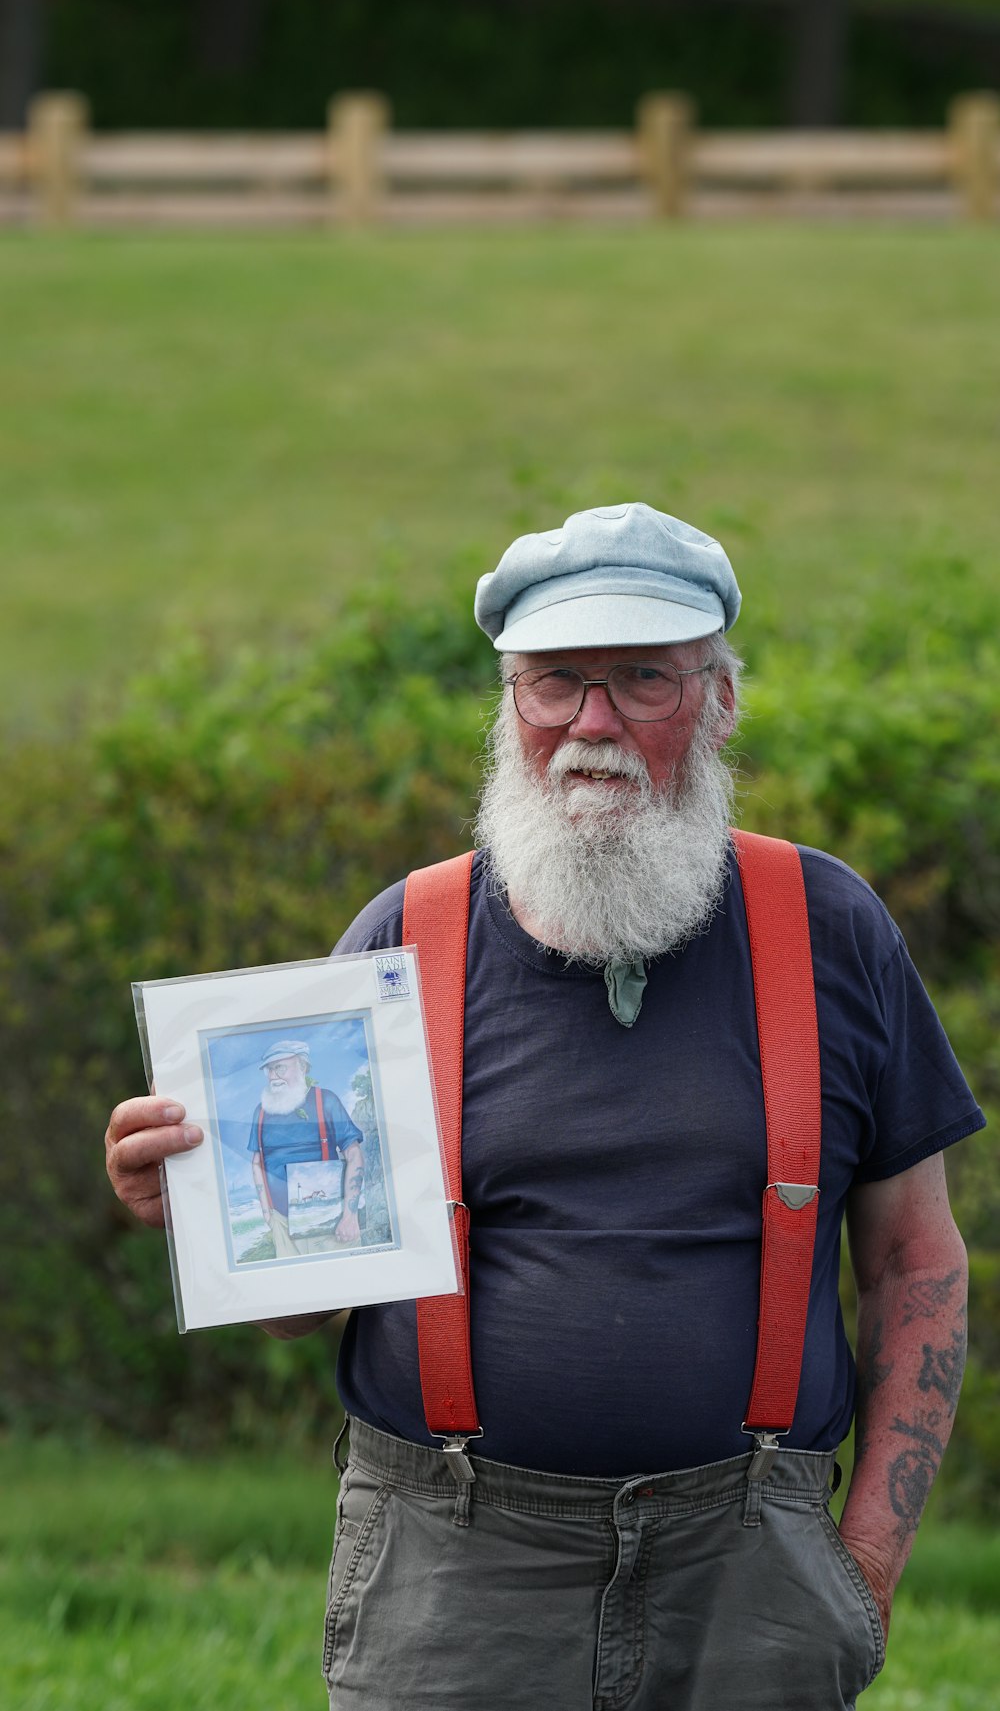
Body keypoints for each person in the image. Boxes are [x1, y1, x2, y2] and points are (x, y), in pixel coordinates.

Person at [106, 502, 984, 1711]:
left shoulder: (831, 929)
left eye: (643, 682)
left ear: (720, 700)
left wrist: (866, 1565)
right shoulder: (399, 944)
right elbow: (297, 1315)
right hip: (454, 1577)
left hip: (750, 1581)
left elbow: (914, 1257)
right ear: (506, 707)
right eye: (555, 684)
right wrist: (202, 1201)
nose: (593, 727)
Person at [249, 1040, 365, 1255]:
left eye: (280, 1067)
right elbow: (256, 1162)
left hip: (331, 1223)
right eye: (269, 1069)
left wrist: (350, 1216)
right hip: (282, 1225)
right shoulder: (261, 1111)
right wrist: (268, 1214)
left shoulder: (326, 1101)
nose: (273, 1076)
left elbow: (354, 1153)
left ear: (302, 1066)